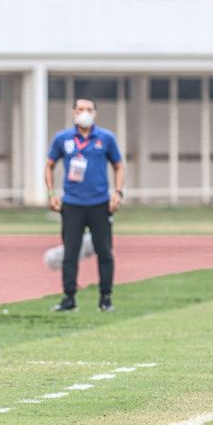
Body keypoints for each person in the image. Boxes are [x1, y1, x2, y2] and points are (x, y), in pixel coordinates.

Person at [44, 98, 124, 312]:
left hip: (100, 204)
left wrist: (117, 192)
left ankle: (105, 298)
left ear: (95, 113)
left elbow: (118, 165)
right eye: (81, 109)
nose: (85, 113)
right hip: (72, 204)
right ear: (73, 113)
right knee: (70, 252)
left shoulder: (106, 138)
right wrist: (51, 194)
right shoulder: (63, 139)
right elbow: (49, 165)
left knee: (104, 252)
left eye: (89, 109)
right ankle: (69, 298)